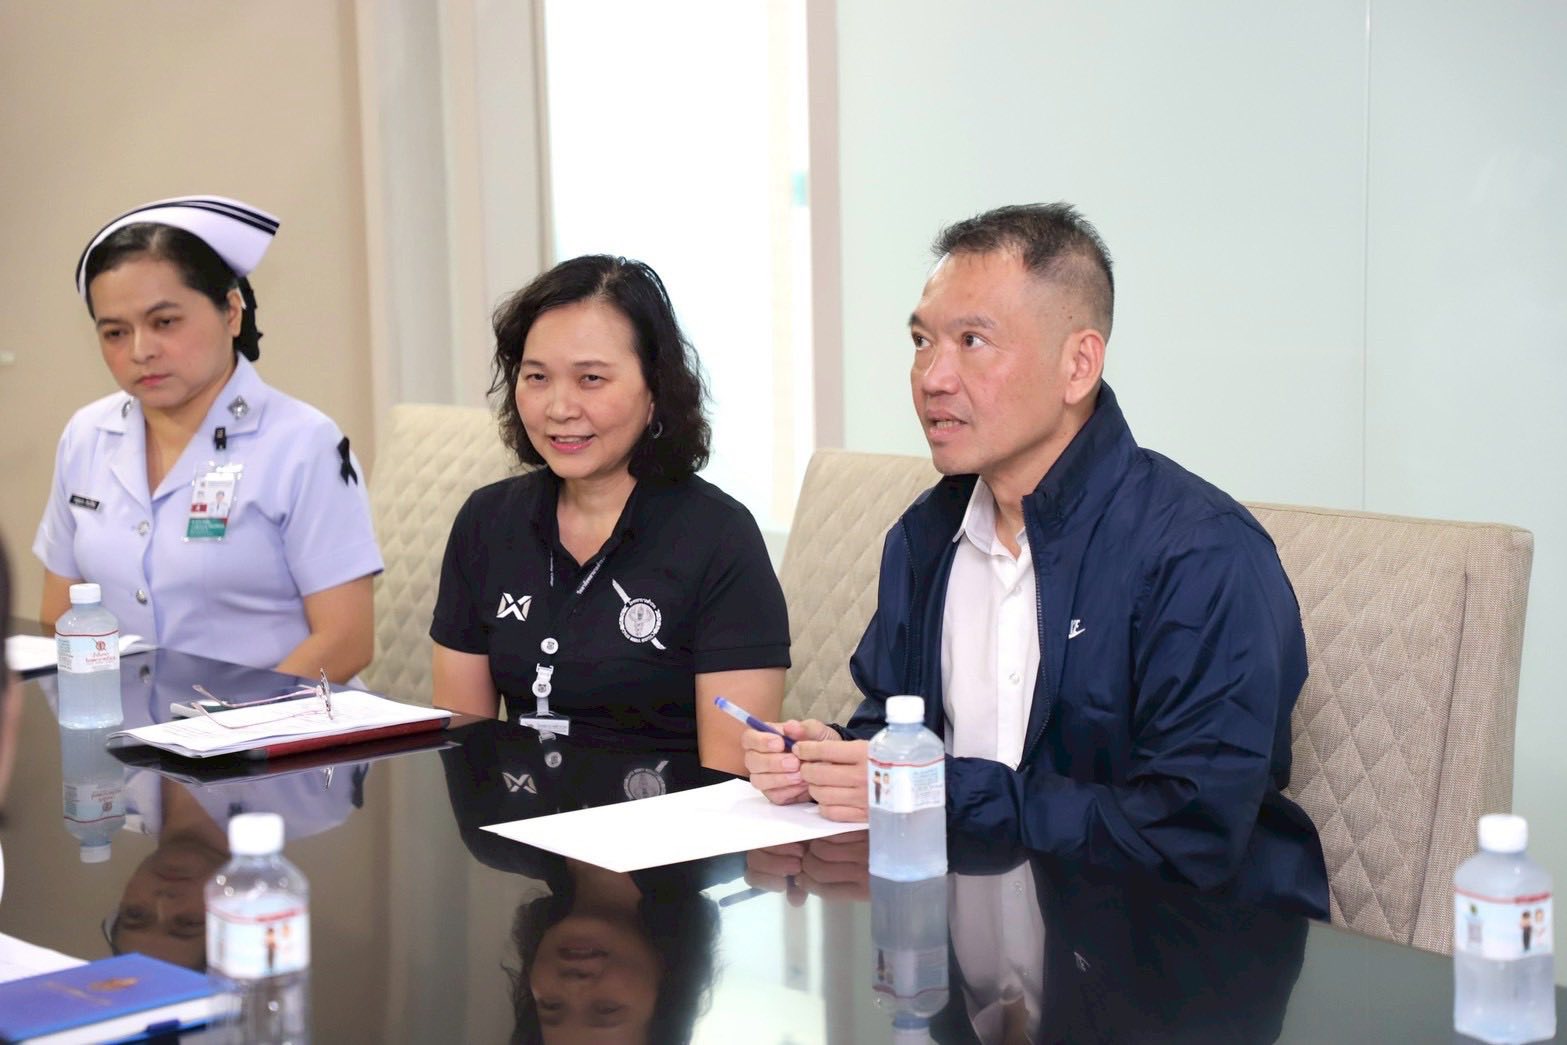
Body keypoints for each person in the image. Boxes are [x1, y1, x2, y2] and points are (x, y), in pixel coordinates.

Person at [745, 203, 1329, 916]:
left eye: (972, 341)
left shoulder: (1201, 553)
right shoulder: (924, 537)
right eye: (922, 341)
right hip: (967, 938)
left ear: (1077, 365)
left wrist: (933, 787)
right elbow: (900, 726)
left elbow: (1187, 833)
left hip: (1167, 949)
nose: (932, 377)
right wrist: (832, 758)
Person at [431, 255, 789, 776]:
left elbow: (731, 781)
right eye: (537, 376)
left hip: (669, 824)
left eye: (591, 378)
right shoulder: (486, 522)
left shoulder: (719, 537)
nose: (559, 408)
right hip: (521, 824)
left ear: (655, 391)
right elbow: (465, 752)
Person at [33, 196, 382, 683]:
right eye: (114, 333)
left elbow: (345, 640)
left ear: (232, 312)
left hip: (278, 721)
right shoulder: (86, 435)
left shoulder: (303, 444)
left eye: (164, 322)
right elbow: (59, 615)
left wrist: (225, 722)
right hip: (130, 722)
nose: (140, 351)